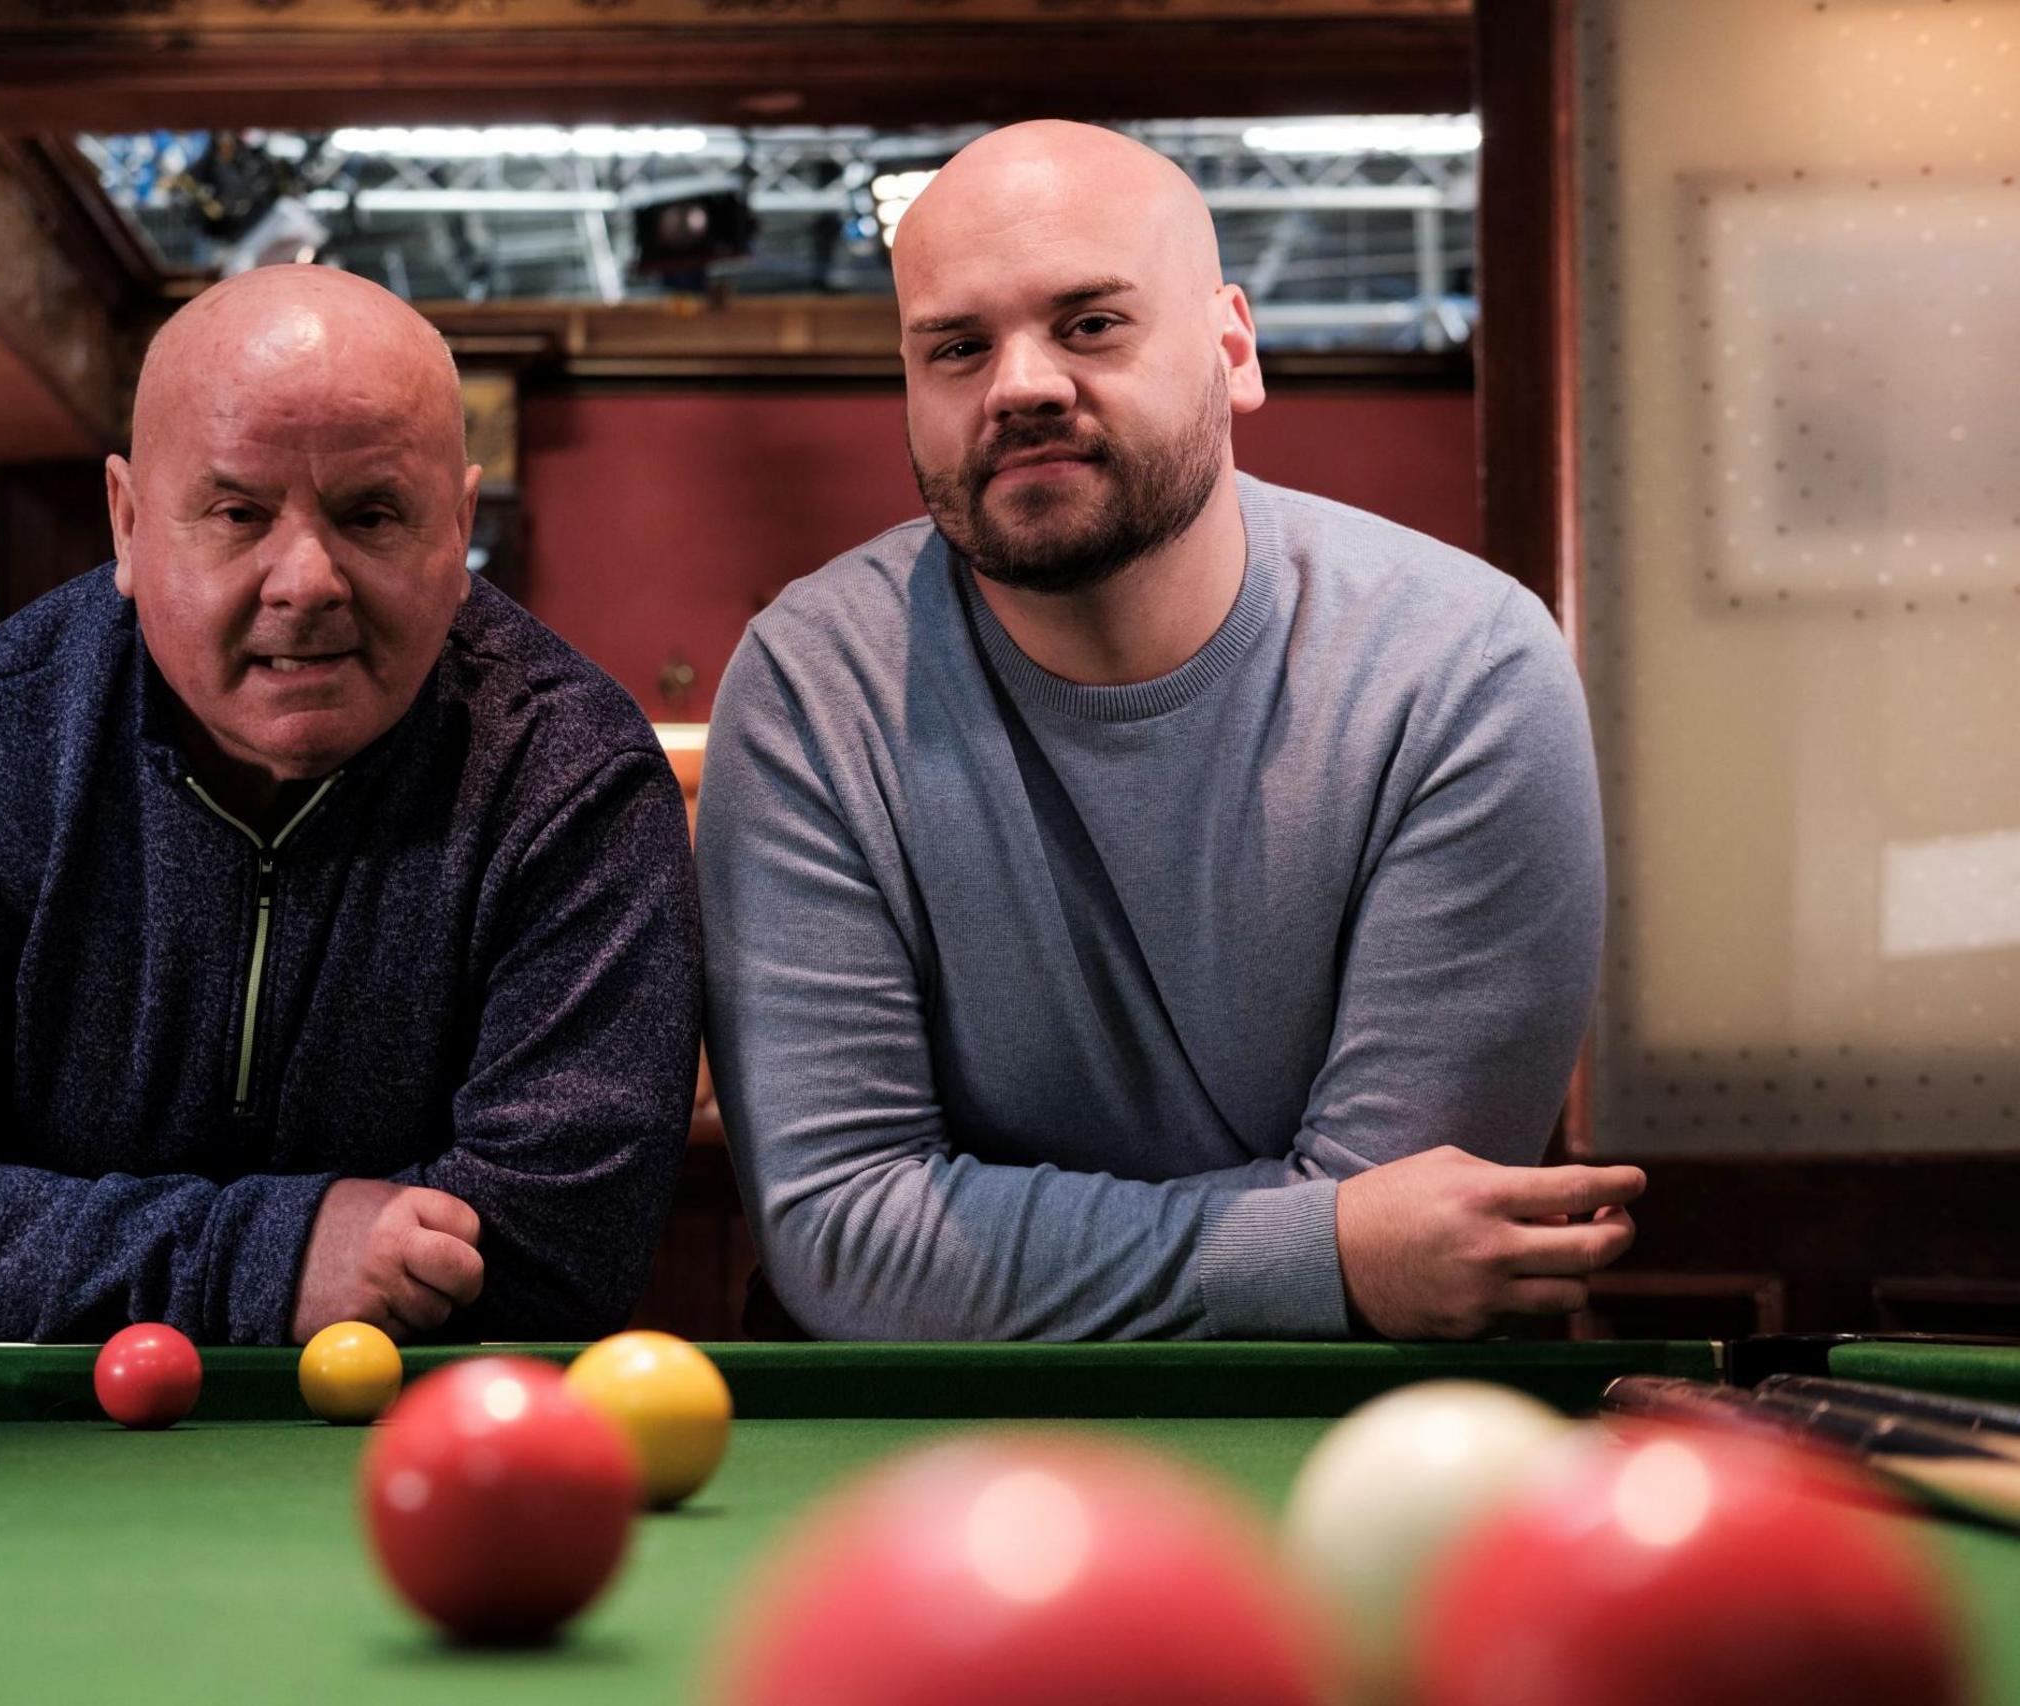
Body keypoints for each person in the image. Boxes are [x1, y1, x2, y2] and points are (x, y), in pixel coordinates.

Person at [696, 121, 1642, 1342]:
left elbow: (1421, 1253)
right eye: (956, 346)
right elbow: (841, 1233)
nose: (1021, 384)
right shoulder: (809, 685)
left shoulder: (1462, 669)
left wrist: (1344, 1253)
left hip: (1349, 1449)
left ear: (1232, 345)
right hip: (930, 1455)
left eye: (1090, 323)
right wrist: (1319, 1248)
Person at [0, 266, 702, 1346]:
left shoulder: (572, 773)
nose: (306, 578)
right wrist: (276, 1254)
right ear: (126, 523)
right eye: (237, 510)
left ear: (457, 531)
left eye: (373, 512)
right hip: (11, 1471)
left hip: (417, 1458)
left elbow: (560, 1248)